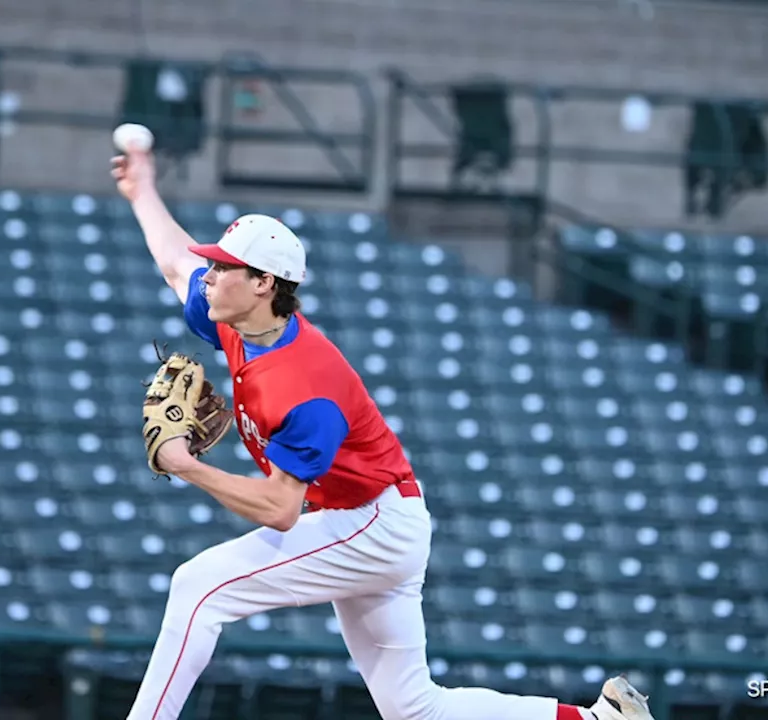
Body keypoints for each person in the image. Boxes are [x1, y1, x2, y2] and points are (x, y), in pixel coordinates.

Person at [110, 148, 657, 720]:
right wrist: (143, 188)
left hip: (370, 523)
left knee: (198, 588)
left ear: (263, 284)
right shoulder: (241, 322)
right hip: (378, 516)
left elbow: (278, 510)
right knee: (412, 708)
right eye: (215, 265)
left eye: (224, 268)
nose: (212, 276)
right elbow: (176, 263)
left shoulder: (304, 386)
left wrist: (185, 465)